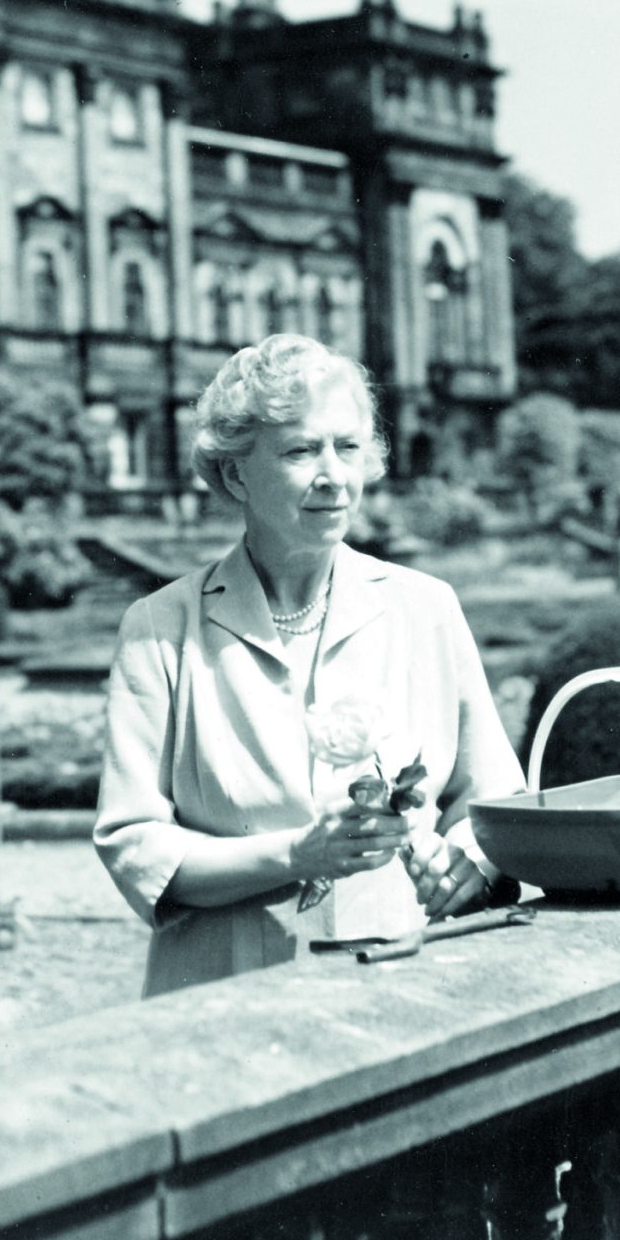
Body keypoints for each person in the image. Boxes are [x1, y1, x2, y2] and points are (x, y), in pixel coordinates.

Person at [94, 334, 525, 996]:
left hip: (408, 980)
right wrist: (297, 855)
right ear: (236, 473)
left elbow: (495, 801)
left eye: (347, 447)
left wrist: (468, 861)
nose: (334, 475)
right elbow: (135, 845)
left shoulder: (426, 608)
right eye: (300, 450)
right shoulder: (160, 629)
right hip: (226, 992)